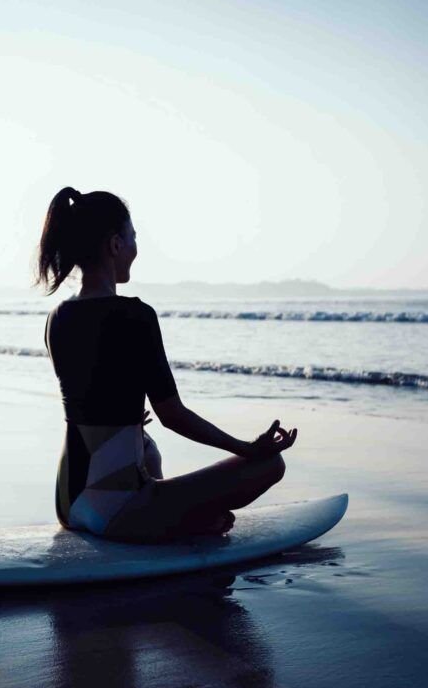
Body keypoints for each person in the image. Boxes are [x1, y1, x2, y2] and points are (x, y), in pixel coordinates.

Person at [38, 187, 296, 542]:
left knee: (145, 447)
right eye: (132, 237)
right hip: (117, 508)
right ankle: (181, 522)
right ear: (115, 244)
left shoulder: (57, 317)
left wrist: (127, 423)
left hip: (68, 502)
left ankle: (176, 518)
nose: (135, 247)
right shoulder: (135, 315)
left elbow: (89, 400)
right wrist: (247, 448)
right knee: (270, 466)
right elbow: (173, 416)